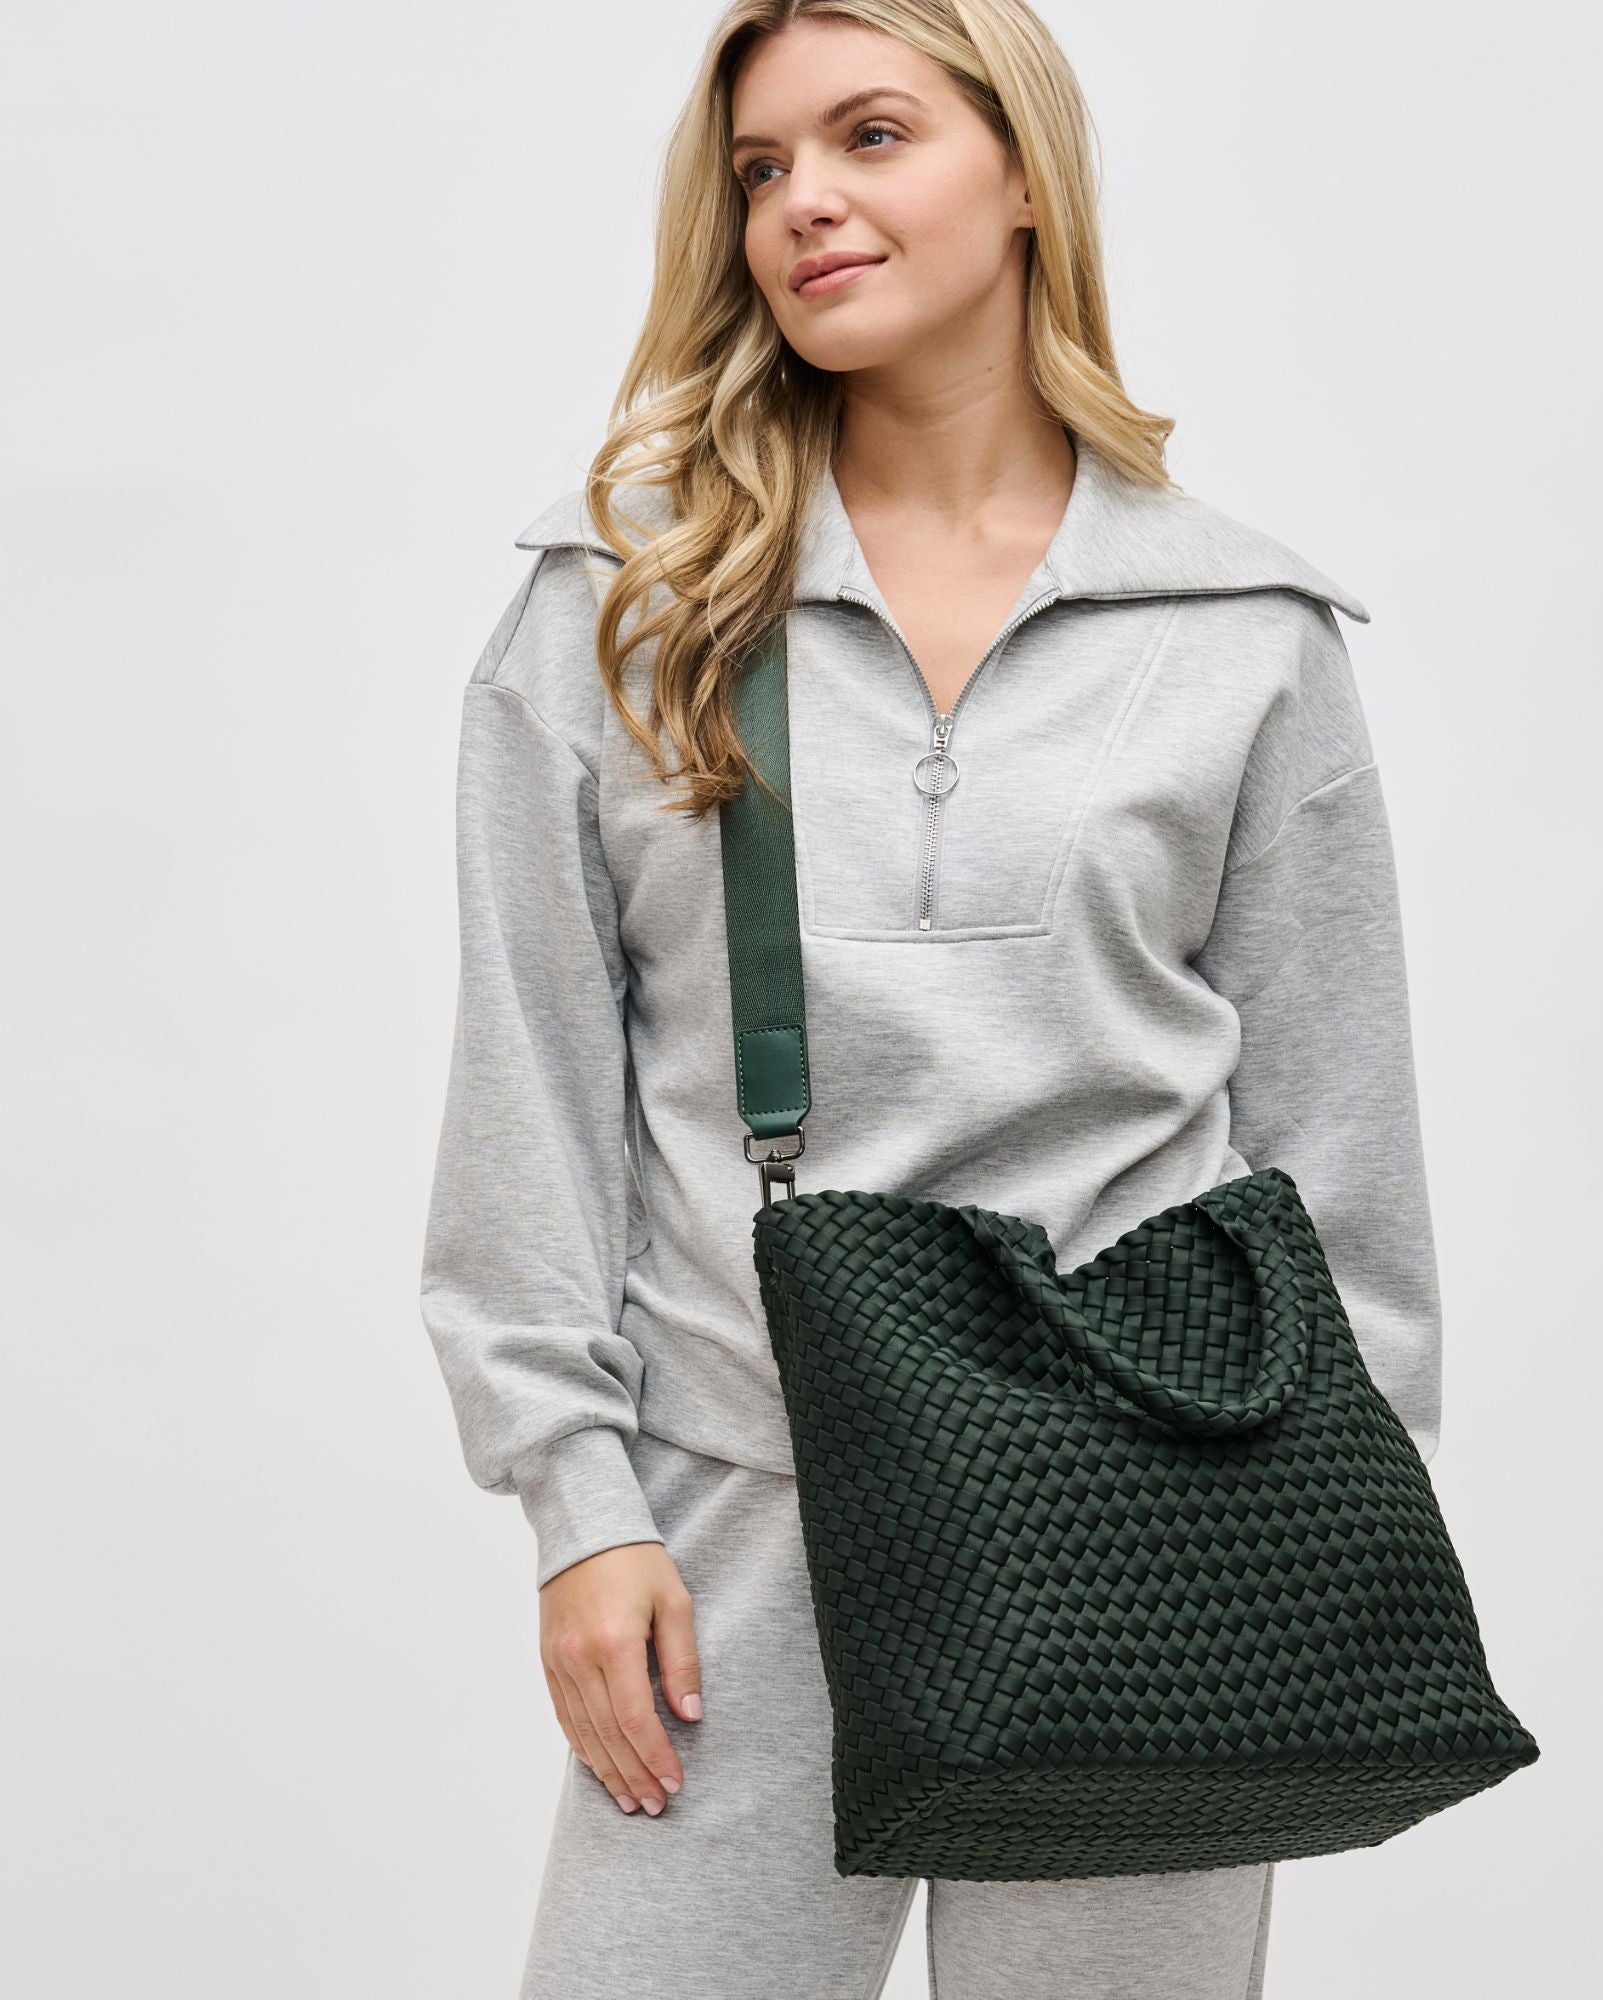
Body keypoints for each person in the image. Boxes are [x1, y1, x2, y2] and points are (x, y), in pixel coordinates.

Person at [419, 2, 1444, 1993]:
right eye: (760, 168)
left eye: (870, 135)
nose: (803, 201)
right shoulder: (618, 608)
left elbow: (1341, 1148)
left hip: (1158, 1517)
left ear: (1023, 173)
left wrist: (1338, 1521)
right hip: (741, 1515)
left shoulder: (1242, 635)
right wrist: (578, 1504)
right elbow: (526, 1089)